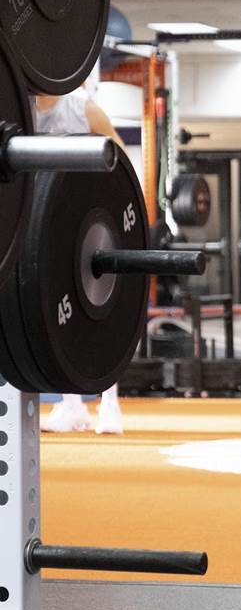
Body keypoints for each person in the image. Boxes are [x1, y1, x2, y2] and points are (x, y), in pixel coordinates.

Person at [36, 87, 126, 435]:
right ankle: (71, 405)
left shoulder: (82, 111)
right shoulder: (18, 110)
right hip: (44, 229)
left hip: (87, 224)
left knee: (100, 314)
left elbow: (118, 161)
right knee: (58, 319)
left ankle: (110, 404)